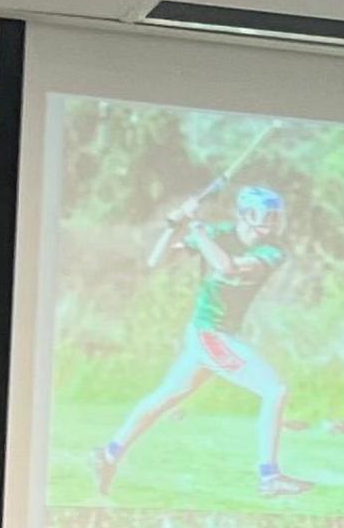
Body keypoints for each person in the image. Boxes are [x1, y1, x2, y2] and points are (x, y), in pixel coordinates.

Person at [92, 182, 312, 502]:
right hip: (208, 333)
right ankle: (269, 476)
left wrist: (195, 226)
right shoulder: (217, 233)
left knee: (166, 398)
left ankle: (109, 454)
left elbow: (229, 267)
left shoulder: (272, 251)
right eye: (264, 215)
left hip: (216, 335)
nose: (271, 221)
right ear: (245, 215)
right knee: (274, 389)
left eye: (275, 215)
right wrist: (174, 225)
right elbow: (157, 260)